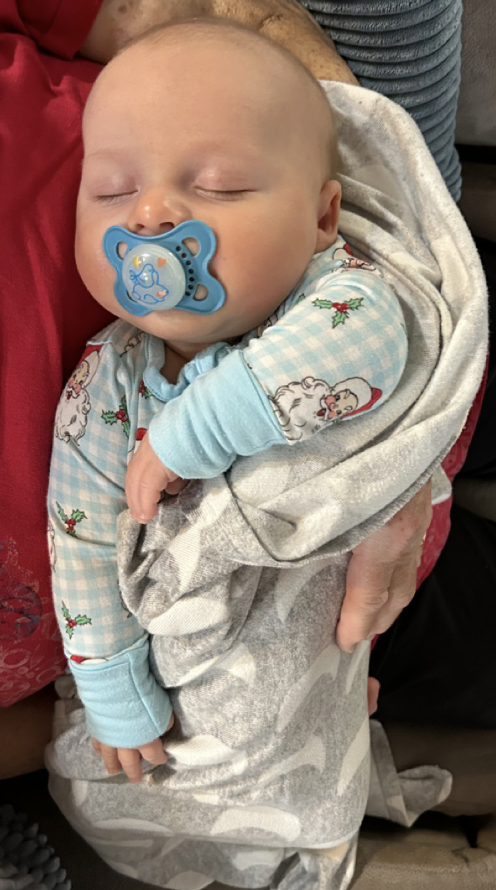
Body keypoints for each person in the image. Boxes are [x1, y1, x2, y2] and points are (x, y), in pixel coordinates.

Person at [0, 0, 482, 784]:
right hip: (255, 637)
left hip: (391, 496)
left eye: (219, 189)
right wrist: (112, 685)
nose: (151, 216)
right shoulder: (106, 381)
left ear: (323, 215)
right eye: (112, 192)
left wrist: (193, 433)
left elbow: (363, 337)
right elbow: (82, 535)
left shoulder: (333, 290)